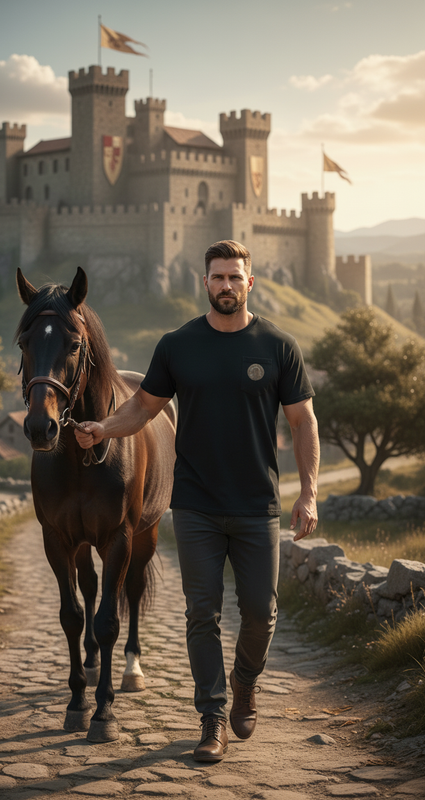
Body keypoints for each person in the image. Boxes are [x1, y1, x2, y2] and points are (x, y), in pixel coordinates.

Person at [75, 240, 319, 762]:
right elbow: (142, 407)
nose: (226, 285)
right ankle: (212, 717)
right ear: (203, 283)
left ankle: (245, 681)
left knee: (260, 612)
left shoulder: (279, 346)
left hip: (258, 506)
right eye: (217, 277)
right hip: (196, 506)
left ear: (250, 283)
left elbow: (303, 422)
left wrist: (310, 492)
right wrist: (103, 428)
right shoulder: (177, 345)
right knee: (201, 614)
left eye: (235, 277)